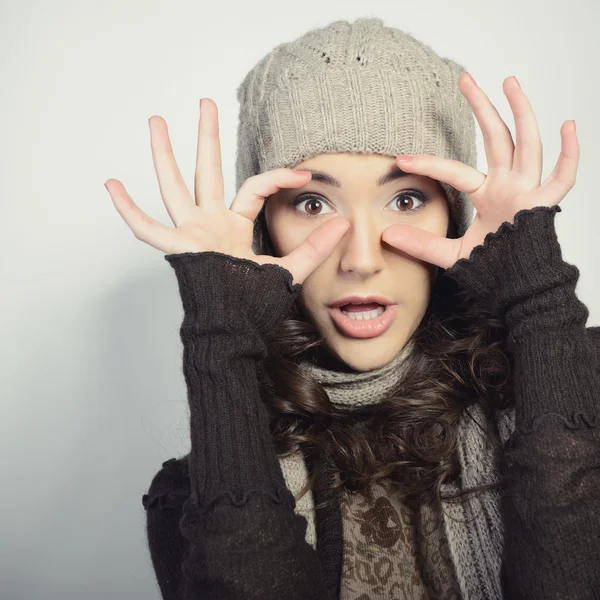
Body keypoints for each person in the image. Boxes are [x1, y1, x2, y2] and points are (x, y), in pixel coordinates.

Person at [105, 17, 600, 600]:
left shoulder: (574, 389)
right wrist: (219, 335)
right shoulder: (198, 494)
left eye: (407, 198)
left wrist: (536, 298)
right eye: (312, 203)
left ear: (458, 220)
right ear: (264, 234)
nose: (361, 259)